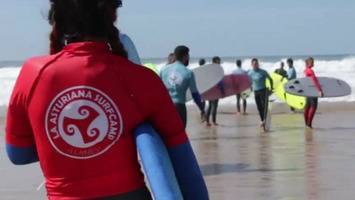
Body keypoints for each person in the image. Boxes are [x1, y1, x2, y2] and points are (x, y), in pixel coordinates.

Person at [5, 1, 202, 199]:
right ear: (113, 16)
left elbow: (18, 154)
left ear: (57, 18)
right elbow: (186, 171)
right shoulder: (143, 80)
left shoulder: (33, 74)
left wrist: (61, 148)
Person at [160, 46, 205, 128]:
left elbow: (158, 91)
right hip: (180, 108)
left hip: (165, 107)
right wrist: (202, 109)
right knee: (180, 136)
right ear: (186, 56)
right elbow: (195, 94)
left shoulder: (163, 70)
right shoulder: (188, 73)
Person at [248, 58, 274, 131]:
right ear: (252, 65)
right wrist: (249, 88)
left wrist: (271, 89)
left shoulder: (263, 72)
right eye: (254, 64)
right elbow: (248, 81)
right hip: (256, 92)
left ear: (258, 64)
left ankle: (264, 120)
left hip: (263, 91)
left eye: (256, 63)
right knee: (259, 107)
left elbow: (270, 79)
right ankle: (262, 120)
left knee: (264, 106)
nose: (255, 65)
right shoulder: (250, 73)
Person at [304, 57, 323, 128]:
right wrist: (319, 90)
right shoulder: (310, 71)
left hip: (308, 91)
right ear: (308, 63)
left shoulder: (305, 70)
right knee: (313, 107)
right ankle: (309, 124)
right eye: (312, 62)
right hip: (313, 91)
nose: (313, 63)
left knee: (307, 107)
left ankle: (306, 124)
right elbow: (315, 81)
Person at [206, 56, 223, 126]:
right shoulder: (217, 70)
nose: (220, 62)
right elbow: (219, 81)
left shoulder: (209, 69)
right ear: (215, 61)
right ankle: (213, 121)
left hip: (210, 90)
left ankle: (207, 121)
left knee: (210, 106)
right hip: (215, 91)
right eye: (219, 61)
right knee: (214, 106)